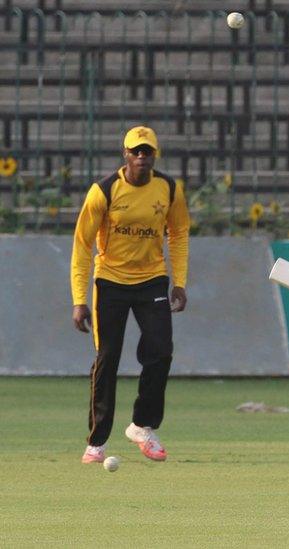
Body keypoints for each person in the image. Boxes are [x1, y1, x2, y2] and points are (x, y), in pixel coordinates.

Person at [70, 126, 190, 464]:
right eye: (135, 151)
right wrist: (79, 299)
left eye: (147, 152)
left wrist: (179, 281)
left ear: (155, 156)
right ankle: (97, 442)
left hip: (152, 279)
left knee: (160, 351)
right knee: (107, 359)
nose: (141, 157)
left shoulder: (167, 189)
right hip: (109, 281)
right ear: (125, 154)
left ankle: (142, 426)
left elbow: (179, 233)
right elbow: (82, 247)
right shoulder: (104, 191)